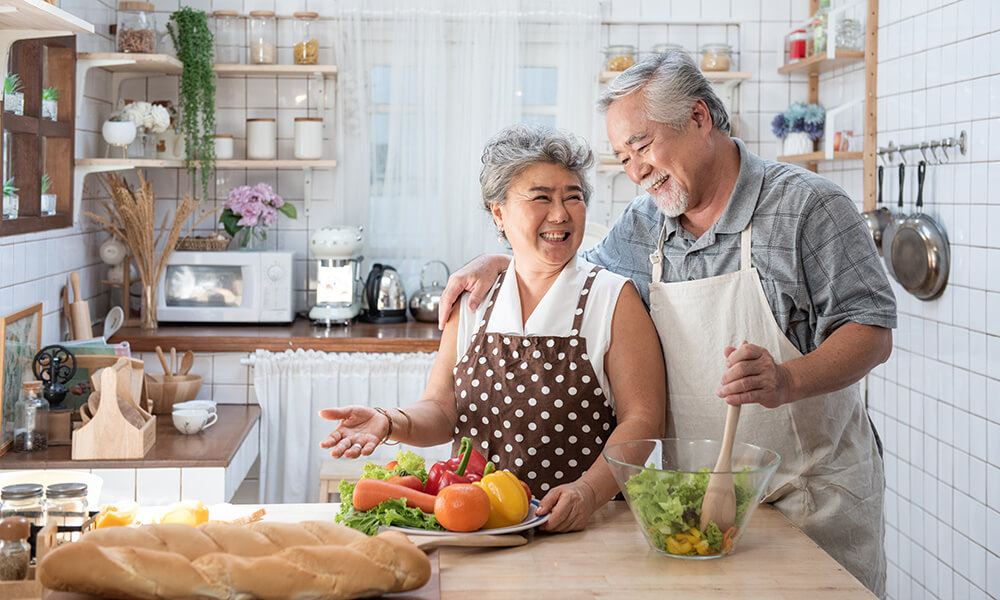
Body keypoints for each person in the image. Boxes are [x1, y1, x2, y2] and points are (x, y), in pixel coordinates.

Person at [437, 52, 894, 597]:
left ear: (699, 119)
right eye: (623, 158)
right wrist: (502, 261)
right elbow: (570, 268)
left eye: (643, 146)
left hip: (810, 497)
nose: (636, 171)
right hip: (696, 506)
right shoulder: (644, 222)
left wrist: (786, 380)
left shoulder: (808, 206)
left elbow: (871, 329)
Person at [320, 124, 666, 532]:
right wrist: (389, 419)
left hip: (587, 527)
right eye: (541, 198)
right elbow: (442, 410)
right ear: (498, 213)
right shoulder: (475, 299)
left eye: (573, 197)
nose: (561, 213)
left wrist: (587, 492)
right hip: (478, 526)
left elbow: (643, 420)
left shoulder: (611, 297)